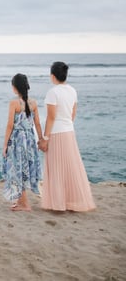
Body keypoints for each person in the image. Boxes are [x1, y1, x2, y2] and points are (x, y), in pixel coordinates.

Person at [39, 61, 96, 212]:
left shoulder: (53, 92)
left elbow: (51, 117)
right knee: (70, 167)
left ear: (52, 76)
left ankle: (58, 204)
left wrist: (45, 138)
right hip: (69, 132)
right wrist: (67, 125)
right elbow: (73, 114)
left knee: (56, 167)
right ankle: (71, 201)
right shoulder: (72, 90)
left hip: (56, 134)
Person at [2, 73, 43, 211]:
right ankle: (21, 201)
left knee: (18, 168)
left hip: (18, 140)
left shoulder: (14, 103)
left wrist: (5, 144)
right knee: (25, 169)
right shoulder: (33, 103)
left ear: (15, 87)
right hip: (30, 139)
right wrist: (41, 139)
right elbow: (37, 124)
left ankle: (25, 204)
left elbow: (9, 125)